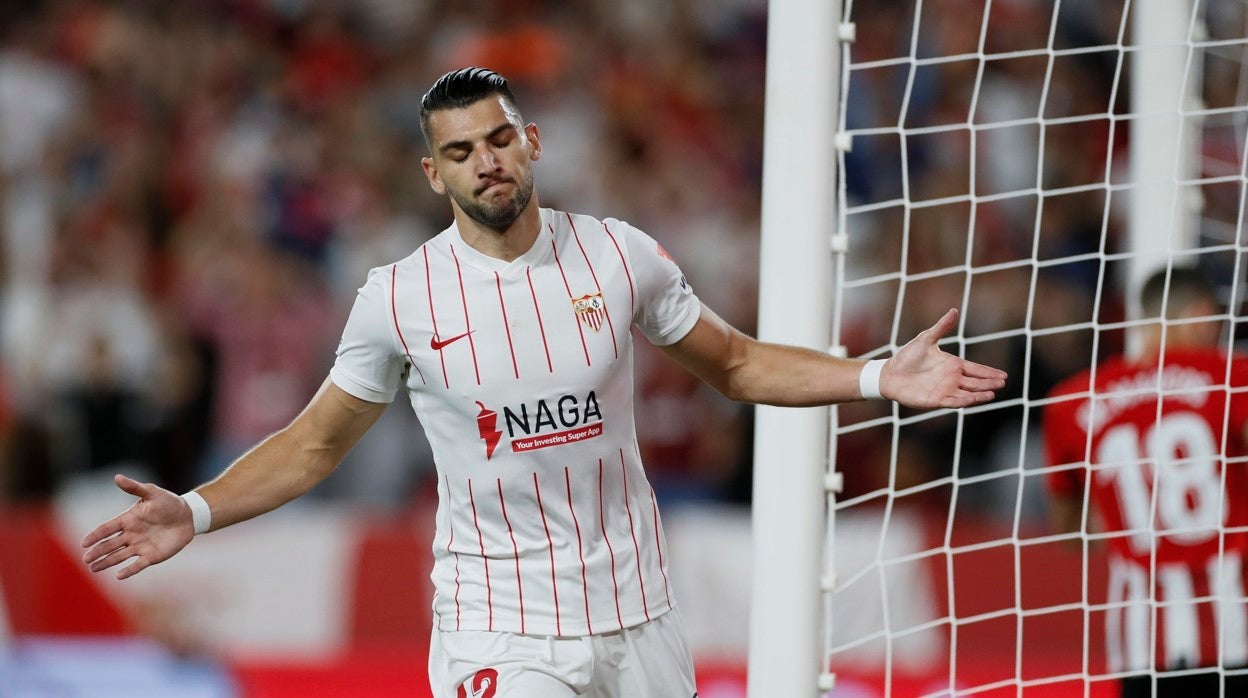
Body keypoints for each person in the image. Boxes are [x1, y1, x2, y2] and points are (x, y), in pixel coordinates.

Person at [81, 67, 1007, 698]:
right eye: (459, 151)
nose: (485, 161)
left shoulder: (619, 255)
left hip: (639, 611)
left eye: (497, 139)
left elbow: (735, 363)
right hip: (501, 625)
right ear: (432, 172)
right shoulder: (397, 298)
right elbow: (315, 441)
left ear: (530, 140)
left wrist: (880, 374)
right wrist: (194, 512)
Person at [1043, 266, 1248, 698]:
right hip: (1237, 621)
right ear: (1202, 315)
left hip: (1142, 637)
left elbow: (1070, 533)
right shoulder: (1232, 379)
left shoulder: (1071, 402)